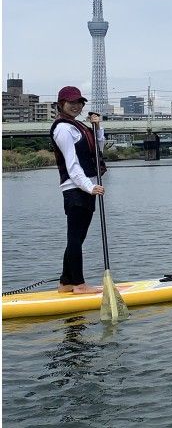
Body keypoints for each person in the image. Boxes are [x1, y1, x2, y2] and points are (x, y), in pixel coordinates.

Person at [50, 86, 106, 294]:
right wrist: (90, 187)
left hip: (84, 188)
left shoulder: (77, 126)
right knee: (75, 237)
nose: (76, 106)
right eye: (71, 102)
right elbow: (72, 165)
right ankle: (80, 285)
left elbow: (97, 151)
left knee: (77, 238)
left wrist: (97, 128)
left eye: (79, 102)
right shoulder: (63, 129)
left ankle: (66, 283)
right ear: (61, 104)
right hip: (75, 189)